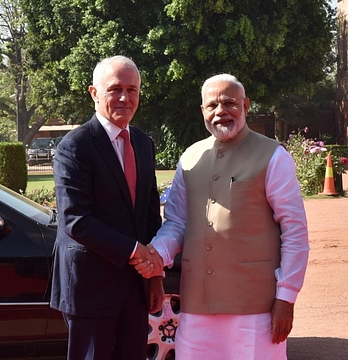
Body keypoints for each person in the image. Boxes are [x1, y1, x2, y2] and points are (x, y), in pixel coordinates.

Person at [132, 74, 310, 359]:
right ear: (203, 110)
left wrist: (286, 298)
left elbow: (295, 231)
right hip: (197, 307)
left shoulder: (273, 156)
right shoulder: (190, 157)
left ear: (246, 106)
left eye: (229, 103)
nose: (221, 111)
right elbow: (177, 222)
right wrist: (156, 254)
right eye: (212, 105)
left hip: (255, 309)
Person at [50, 55, 164, 360]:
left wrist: (154, 275)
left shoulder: (142, 142)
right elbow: (76, 220)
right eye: (115, 89)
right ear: (94, 93)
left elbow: (150, 214)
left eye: (133, 89)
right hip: (91, 289)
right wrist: (135, 251)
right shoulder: (74, 146)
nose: (125, 98)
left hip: (135, 288)